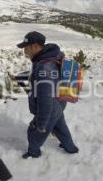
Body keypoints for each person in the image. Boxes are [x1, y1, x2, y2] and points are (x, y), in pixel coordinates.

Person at [16, 31, 79, 159]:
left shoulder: (44, 67)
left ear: (34, 46)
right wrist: (19, 76)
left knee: (34, 134)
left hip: (49, 108)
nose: (24, 51)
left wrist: (41, 125)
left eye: (26, 47)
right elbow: (36, 73)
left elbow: (45, 99)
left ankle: (33, 152)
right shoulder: (48, 58)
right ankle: (70, 148)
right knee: (60, 128)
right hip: (59, 102)